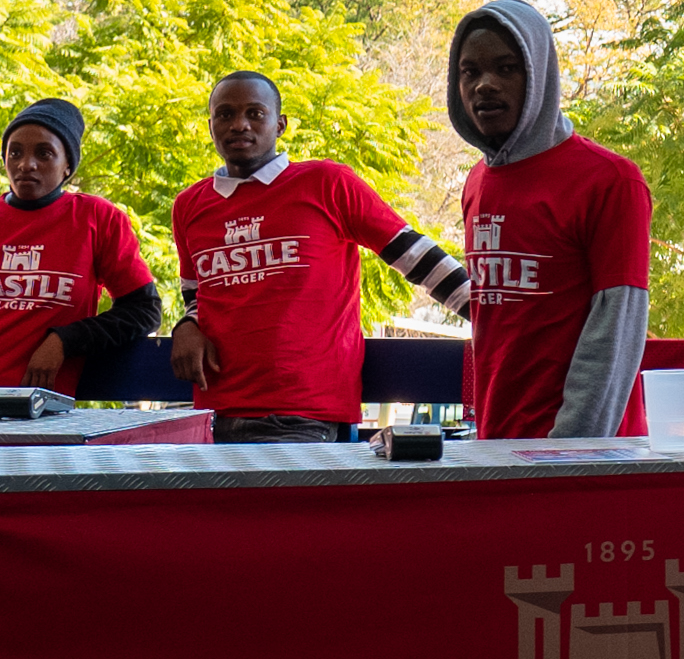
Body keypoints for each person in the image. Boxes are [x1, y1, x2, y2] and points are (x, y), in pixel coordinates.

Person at [167, 68, 469, 443]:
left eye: (254, 114)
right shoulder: (189, 206)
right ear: (210, 126)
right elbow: (197, 294)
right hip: (214, 411)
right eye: (225, 114)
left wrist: (491, 315)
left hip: (304, 413)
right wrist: (187, 325)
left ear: (280, 125)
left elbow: (414, 255)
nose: (239, 124)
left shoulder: (327, 183)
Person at [448, 1, 653, 440]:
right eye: (470, 73)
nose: (485, 85)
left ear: (540, 75)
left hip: (582, 459)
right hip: (498, 445)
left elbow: (615, 331)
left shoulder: (611, 180)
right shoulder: (477, 183)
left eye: (506, 68)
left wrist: (567, 455)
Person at [0, 99, 161, 402]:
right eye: (15, 152)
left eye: (44, 153)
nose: (26, 164)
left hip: (36, 407)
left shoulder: (97, 219)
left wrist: (63, 341)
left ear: (68, 167)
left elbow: (143, 310)